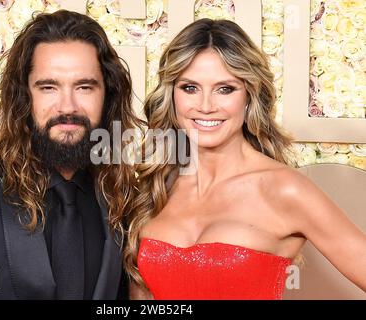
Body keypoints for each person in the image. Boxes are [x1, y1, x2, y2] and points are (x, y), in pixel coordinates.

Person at [110, 18, 366, 300]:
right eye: (190, 88)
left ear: (249, 96)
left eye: (225, 89)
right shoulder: (155, 186)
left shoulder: (285, 189)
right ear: (171, 96)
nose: (206, 106)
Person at [0, 10, 141, 299]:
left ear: (108, 95)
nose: (68, 106)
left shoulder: (123, 196)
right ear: (25, 95)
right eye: (48, 87)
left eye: (85, 87)